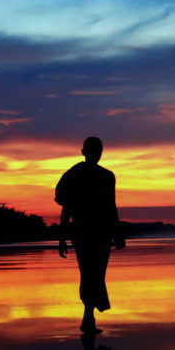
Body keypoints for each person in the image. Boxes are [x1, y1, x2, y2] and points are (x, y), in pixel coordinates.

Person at [55, 136, 125, 334]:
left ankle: (89, 316)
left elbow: (111, 206)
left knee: (92, 275)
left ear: (83, 151)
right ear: (85, 152)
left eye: (98, 150)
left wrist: (117, 233)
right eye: (96, 150)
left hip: (92, 233)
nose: (97, 154)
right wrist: (62, 238)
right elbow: (67, 206)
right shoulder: (82, 175)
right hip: (89, 233)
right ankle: (88, 317)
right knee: (92, 274)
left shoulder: (97, 175)